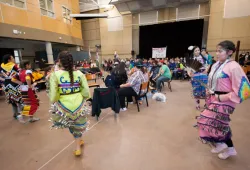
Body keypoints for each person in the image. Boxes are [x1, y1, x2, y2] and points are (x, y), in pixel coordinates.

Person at [197, 40, 250, 159]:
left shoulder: (234, 66)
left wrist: (223, 97)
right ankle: (229, 149)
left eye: (220, 51)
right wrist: (209, 90)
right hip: (213, 98)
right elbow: (212, 79)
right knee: (220, 125)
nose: (217, 53)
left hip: (226, 101)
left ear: (229, 52)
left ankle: (221, 143)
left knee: (206, 121)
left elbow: (245, 90)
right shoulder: (216, 64)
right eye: (216, 51)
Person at [49, 51, 90, 156]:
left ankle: (77, 147)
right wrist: (83, 98)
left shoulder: (55, 75)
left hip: (64, 107)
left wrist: (56, 99)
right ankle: (79, 142)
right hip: (79, 105)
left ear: (59, 62)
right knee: (78, 125)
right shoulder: (80, 74)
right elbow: (86, 92)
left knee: (72, 126)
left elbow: (53, 96)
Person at [0, 54, 25, 122]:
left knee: (12, 100)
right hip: (15, 85)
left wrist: (4, 82)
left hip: (6, 86)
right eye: (12, 58)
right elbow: (20, 73)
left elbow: (1, 77)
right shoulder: (15, 66)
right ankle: (22, 113)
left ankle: (15, 114)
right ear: (9, 60)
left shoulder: (1, 66)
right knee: (19, 100)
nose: (13, 59)